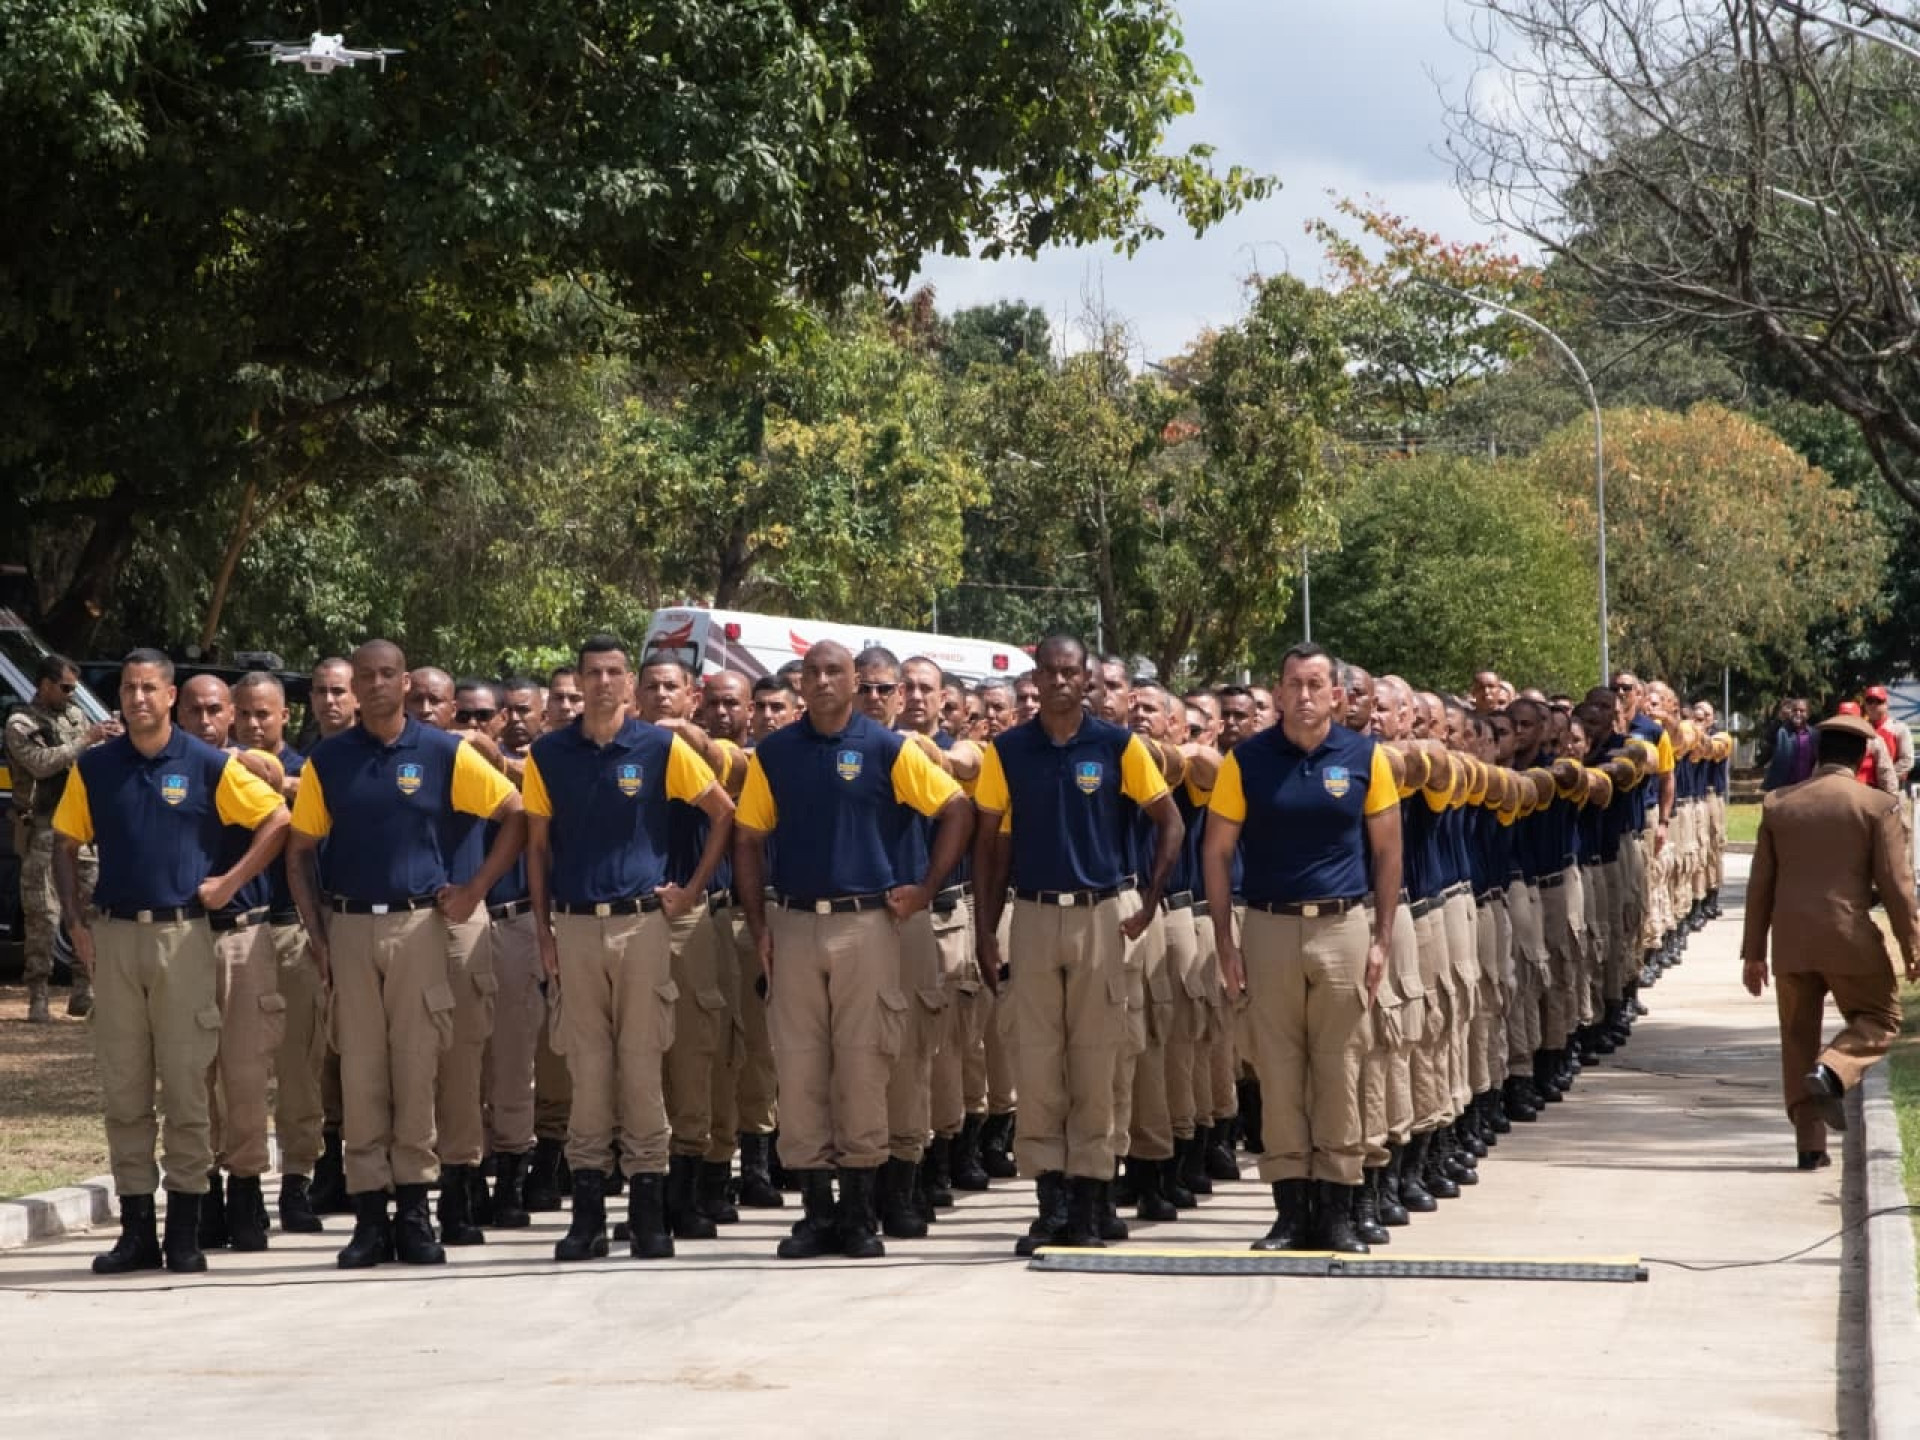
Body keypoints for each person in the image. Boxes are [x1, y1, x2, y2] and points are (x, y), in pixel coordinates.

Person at [286, 640, 525, 1270]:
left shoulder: (445, 751)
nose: (376, 685)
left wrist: (474, 889)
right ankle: (369, 1216)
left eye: (388, 674)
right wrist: (316, 933)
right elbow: (300, 848)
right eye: (364, 676)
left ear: (407, 679)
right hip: (351, 926)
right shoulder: (328, 760)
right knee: (362, 1071)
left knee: (419, 1068)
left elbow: (516, 812)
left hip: (420, 926)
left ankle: (417, 1214)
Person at [51, 650, 289, 1274]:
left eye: (149, 688)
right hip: (116, 937)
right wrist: (76, 922)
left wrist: (227, 882)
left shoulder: (208, 763)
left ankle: (185, 1229)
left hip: (184, 939)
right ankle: (136, 1232)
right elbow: (65, 840)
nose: (137, 699)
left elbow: (276, 818)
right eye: (128, 688)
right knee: (125, 1090)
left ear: (169, 694)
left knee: (187, 1087)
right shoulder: (97, 767)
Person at [735, 640, 971, 1260]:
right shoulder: (776, 753)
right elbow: (749, 837)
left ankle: (861, 1214)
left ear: (855, 681)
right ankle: (817, 1213)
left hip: (865, 924)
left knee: (866, 1065)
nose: (821, 682)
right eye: (811, 672)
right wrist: (759, 925)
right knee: (801, 1066)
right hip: (793, 922)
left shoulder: (886, 748)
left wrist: (924, 889)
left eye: (834, 672)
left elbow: (956, 809)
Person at [525, 635, 734, 1261]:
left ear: (627, 683)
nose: (604, 683)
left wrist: (691, 890)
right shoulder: (548, 755)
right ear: (579, 681)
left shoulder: (661, 747)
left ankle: (648, 1214)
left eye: (616, 672)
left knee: (643, 1067)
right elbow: (537, 848)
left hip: (642, 925)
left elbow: (723, 813)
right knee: (588, 1071)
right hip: (576, 925)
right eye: (594, 673)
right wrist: (542, 931)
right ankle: (586, 1217)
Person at [972, 635, 1182, 1255]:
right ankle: (1051, 1202)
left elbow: (1169, 821)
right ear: (1036, 679)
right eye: (1051, 672)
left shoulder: (1118, 745)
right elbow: (989, 848)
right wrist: (986, 931)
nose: (1061, 682)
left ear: (1087, 679)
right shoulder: (1007, 750)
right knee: (1038, 1060)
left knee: (1098, 1057)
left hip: (1102, 913)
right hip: (1034, 914)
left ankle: (1093, 1199)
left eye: (1072, 672)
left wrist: (1148, 900)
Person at [1205, 643, 1401, 1253]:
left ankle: (1339, 1209)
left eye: (1318, 684)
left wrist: (1381, 939)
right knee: (1279, 1071)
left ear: (1337, 695)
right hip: (1267, 926)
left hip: (1342, 927)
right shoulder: (1248, 761)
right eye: (1295, 684)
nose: (1306, 695)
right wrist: (1224, 940)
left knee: (1341, 1067)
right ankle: (1290, 1210)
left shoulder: (1366, 758)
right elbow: (1215, 851)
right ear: (1278, 692)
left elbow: (1389, 851)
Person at [1742, 712, 1920, 1170]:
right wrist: (1913, 947)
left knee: (1797, 1037)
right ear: (1862, 755)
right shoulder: (1876, 806)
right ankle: (1835, 1069)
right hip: (1849, 938)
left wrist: (1753, 953)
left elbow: (1759, 885)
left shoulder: (1779, 803)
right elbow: (1898, 889)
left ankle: (1809, 1146)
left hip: (1791, 943)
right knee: (1881, 1016)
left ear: (1817, 752)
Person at [229, 671, 325, 1235]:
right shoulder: (218, 769)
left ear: (286, 714)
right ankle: (240, 1187)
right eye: (245, 714)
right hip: (240, 933)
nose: (254, 723)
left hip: (291, 931)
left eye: (264, 713)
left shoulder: (311, 767)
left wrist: (280, 777)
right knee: (237, 1072)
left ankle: (297, 1183)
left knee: (299, 1068)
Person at [6, 652, 117, 1021]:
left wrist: (108, 742)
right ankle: (38, 994)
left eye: (74, 688)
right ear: (45, 683)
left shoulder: (73, 715)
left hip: (78, 827)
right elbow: (41, 764)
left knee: (89, 908)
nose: (71, 695)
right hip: (41, 828)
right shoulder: (20, 723)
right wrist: (87, 739)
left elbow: (88, 761)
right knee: (43, 914)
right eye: (66, 688)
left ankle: (83, 991)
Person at [1864, 685, 1913, 788]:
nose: (1874, 705)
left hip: (1892, 789)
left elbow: (1907, 760)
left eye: (1879, 701)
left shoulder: (1899, 728)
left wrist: (1884, 779)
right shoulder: (1861, 728)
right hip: (1865, 789)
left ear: (1886, 704)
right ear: (1865, 705)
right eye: (1870, 701)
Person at [1763, 698, 1815, 793]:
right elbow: (1768, 738)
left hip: (1807, 787)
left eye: (1802, 711)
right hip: (1784, 788)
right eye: (1795, 710)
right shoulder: (1782, 731)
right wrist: (1779, 718)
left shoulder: (1814, 735)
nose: (1798, 713)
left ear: (1808, 714)